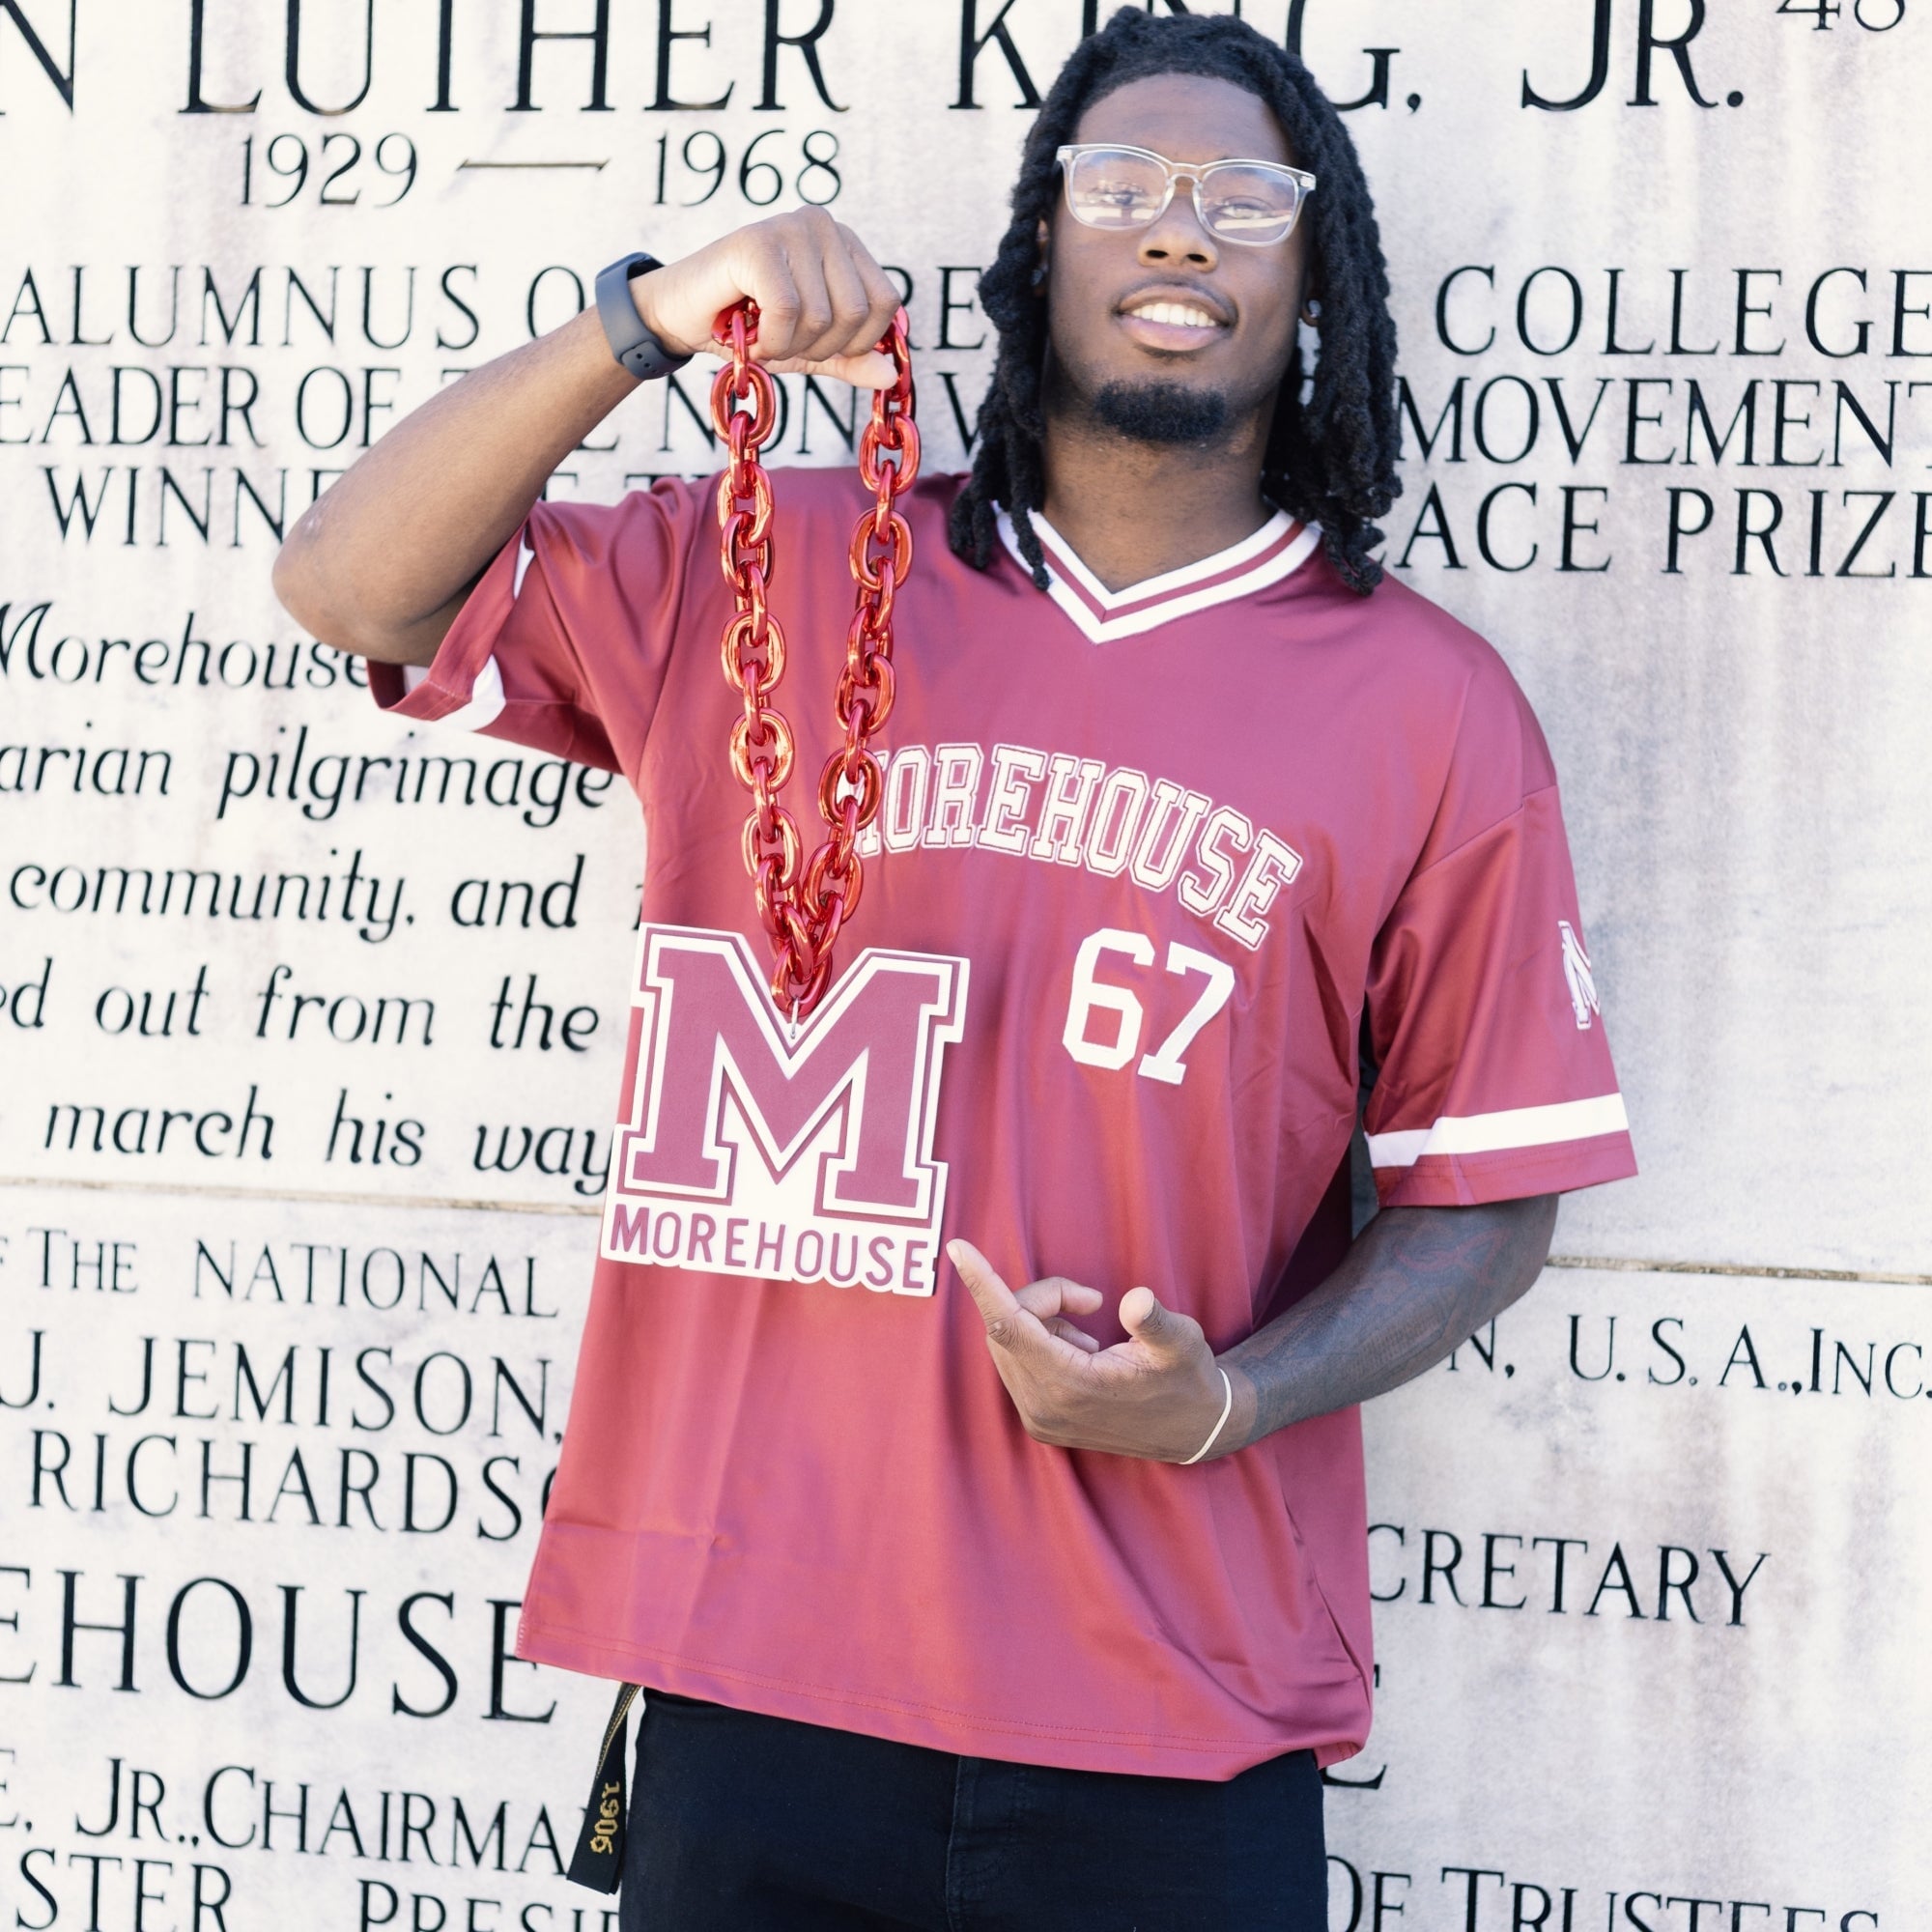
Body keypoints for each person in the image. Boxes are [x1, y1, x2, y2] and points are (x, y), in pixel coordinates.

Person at [272, 12, 1635, 1927]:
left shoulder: (1428, 708)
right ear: (1036, 249)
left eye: (1243, 197)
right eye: (1124, 187)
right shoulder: (772, 561)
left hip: (1169, 1712)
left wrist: (1223, 1400)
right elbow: (351, 589)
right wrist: (648, 320)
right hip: (754, 1680)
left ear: (1310, 274)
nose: (1179, 233)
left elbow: (1487, 1200)